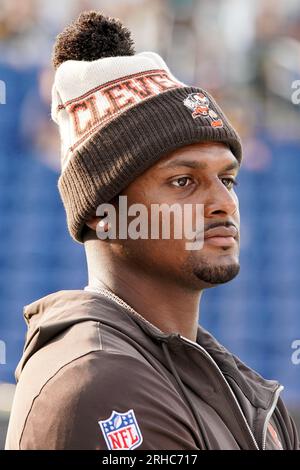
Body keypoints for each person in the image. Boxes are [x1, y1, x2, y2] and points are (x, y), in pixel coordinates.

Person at [5, 11, 299, 450]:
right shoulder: (100, 384)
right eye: (183, 181)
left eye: (228, 179)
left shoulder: (207, 373)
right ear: (103, 212)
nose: (223, 202)